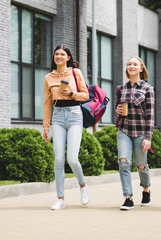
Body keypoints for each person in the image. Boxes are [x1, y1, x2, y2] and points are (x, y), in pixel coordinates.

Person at [43, 45, 90, 210]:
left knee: (72, 158)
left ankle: (83, 185)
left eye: (62, 54)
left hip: (74, 115)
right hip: (57, 117)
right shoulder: (49, 77)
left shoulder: (75, 73)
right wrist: (45, 126)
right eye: (56, 54)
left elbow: (86, 95)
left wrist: (72, 94)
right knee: (58, 159)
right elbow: (47, 103)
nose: (59, 56)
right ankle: (60, 198)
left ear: (68, 57)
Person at [115, 56, 155, 210]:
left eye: (134, 64)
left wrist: (148, 137)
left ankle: (146, 189)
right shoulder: (121, 88)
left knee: (141, 165)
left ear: (141, 69)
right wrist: (117, 111)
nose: (131, 66)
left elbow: (150, 115)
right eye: (129, 64)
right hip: (124, 130)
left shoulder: (147, 88)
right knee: (123, 162)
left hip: (140, 131)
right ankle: (128, 197)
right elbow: (119, 110)